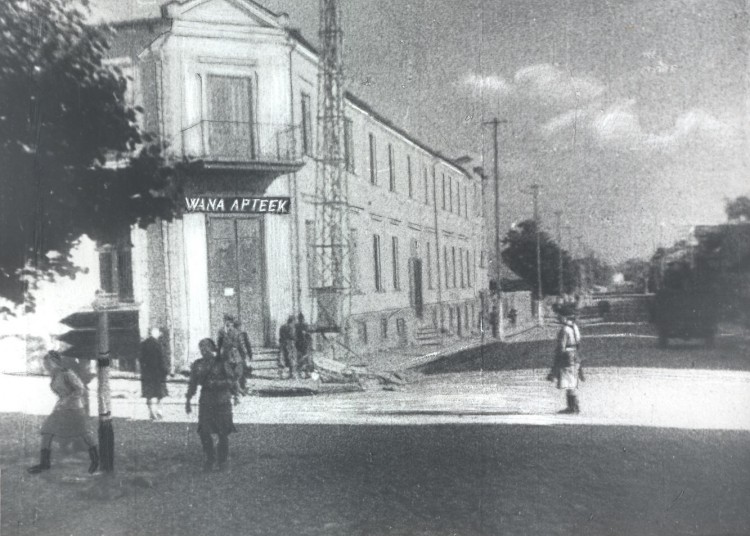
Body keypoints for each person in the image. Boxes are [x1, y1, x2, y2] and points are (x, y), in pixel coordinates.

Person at [27, 351, 99, 475]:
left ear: (55, 362)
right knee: (46, 432)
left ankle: (96, 461)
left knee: (84, 434)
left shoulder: (67, 373)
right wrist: (60, 404)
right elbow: (61, 393)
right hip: (61, 409)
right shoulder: (54, 375)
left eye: (48, 363)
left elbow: (80, 389)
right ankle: (44, 464)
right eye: (45, 363)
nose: (46, 366)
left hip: (75, 409)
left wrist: (66, 400)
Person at [185, 338, 240, 472]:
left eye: (206, 347)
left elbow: (232, 381)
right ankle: (210, 459)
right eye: (201, 348)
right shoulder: (198, 364)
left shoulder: (221, 363)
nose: (204, 351)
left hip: (222, 401)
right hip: (206, 401)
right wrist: (188, 400)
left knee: (223, 433)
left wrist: (218, 384)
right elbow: (192, 383)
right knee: (204, 432)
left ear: (212, 348)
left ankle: (223, 462)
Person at [547, 305, 584, 414]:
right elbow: (578, 343)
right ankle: (574, 406)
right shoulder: (575, 327)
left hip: (567, 357)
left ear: (564, 317)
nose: (558, 318)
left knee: (569, 382)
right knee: (571, 381)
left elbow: (561, 347)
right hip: (575, 355)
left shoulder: (564, 330)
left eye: (559, 315)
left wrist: (555, 365)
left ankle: (572, 407)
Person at [138, 327, 170, 420]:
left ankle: (151, 412)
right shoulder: (158, 344)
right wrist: (165, 371)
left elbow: (141, 359)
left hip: (146, 373)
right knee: (158, 394)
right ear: (156, 333)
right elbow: (161, 360)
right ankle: (158, 412)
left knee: (149, 394)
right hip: (157, 373)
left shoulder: (143, 344)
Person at [217, 314, 247, 393]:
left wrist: (244, 353)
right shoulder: (221, 331)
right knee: (228, 373)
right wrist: (218, 354)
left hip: (235, 355)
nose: (229, 324)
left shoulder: (236, 332)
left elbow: (241, 343)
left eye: (230, 322)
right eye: (226, 321)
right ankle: (237, 390)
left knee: (236, 374)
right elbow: (219, 344)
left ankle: (237, 390)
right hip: (226, 355)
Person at [295, 313, 314, 378]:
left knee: (300, 358)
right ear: (303, 318)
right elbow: (308, 335)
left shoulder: (296, 325)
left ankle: (300, 373)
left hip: (298, 344)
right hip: (304, 344)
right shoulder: (305, 325)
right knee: (305, 358)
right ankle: (305, 373)